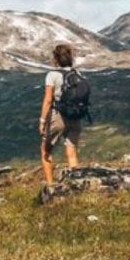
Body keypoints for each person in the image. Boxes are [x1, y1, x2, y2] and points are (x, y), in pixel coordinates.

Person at [39, 44, 83, 188]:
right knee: (72, 151)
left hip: (58, 116)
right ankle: (76, 185)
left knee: (46, 151)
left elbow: (48, 100)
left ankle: (51, 187)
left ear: (56, 59)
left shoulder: (52, 75)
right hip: (76, 116)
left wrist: (42, 120)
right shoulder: (78, 74)